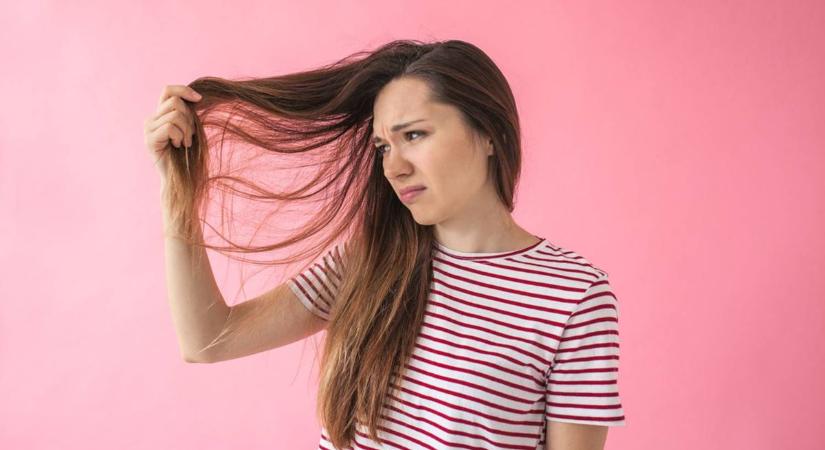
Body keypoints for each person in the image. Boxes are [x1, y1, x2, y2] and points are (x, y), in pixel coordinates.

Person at [143, 39, 626, 450]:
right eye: (383, 147)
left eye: (413, 135)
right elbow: (207, 340)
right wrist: (177, 192)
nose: (393, 167)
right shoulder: (369, 261)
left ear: (490, 133)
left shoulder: (573, 296)